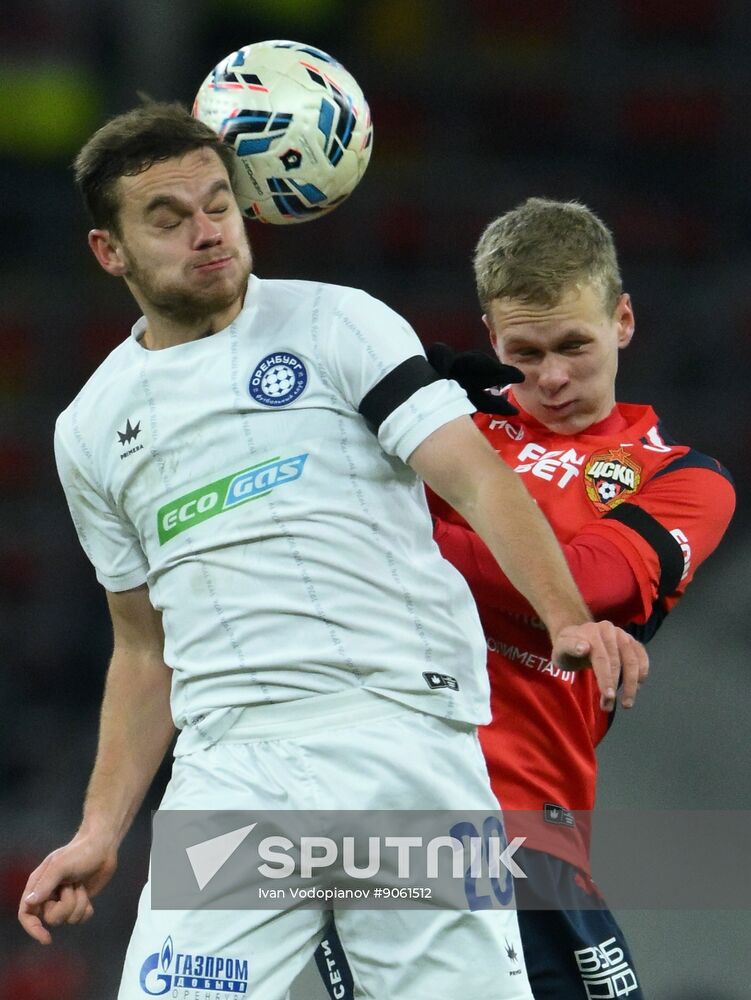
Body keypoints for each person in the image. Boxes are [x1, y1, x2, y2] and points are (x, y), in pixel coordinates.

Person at [16, 107, 646, 1000]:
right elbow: (143, 646)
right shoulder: (88, 428)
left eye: (218, 205)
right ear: (108, 250)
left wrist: (563, 617)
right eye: (169, 218)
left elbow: (476, 480)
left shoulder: (338, 323)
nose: (207, 232)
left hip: (402, 742)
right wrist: (99, 830)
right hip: (230, 770)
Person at [425, 198, 735, 998]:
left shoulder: (684, 480)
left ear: (622, 320)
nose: (552, 377)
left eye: (573, 345)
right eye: (523, 353)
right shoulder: (439, 426)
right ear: (490, 338)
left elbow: (584, 582)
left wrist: (398, 534)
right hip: (395, 796)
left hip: (532, 817)